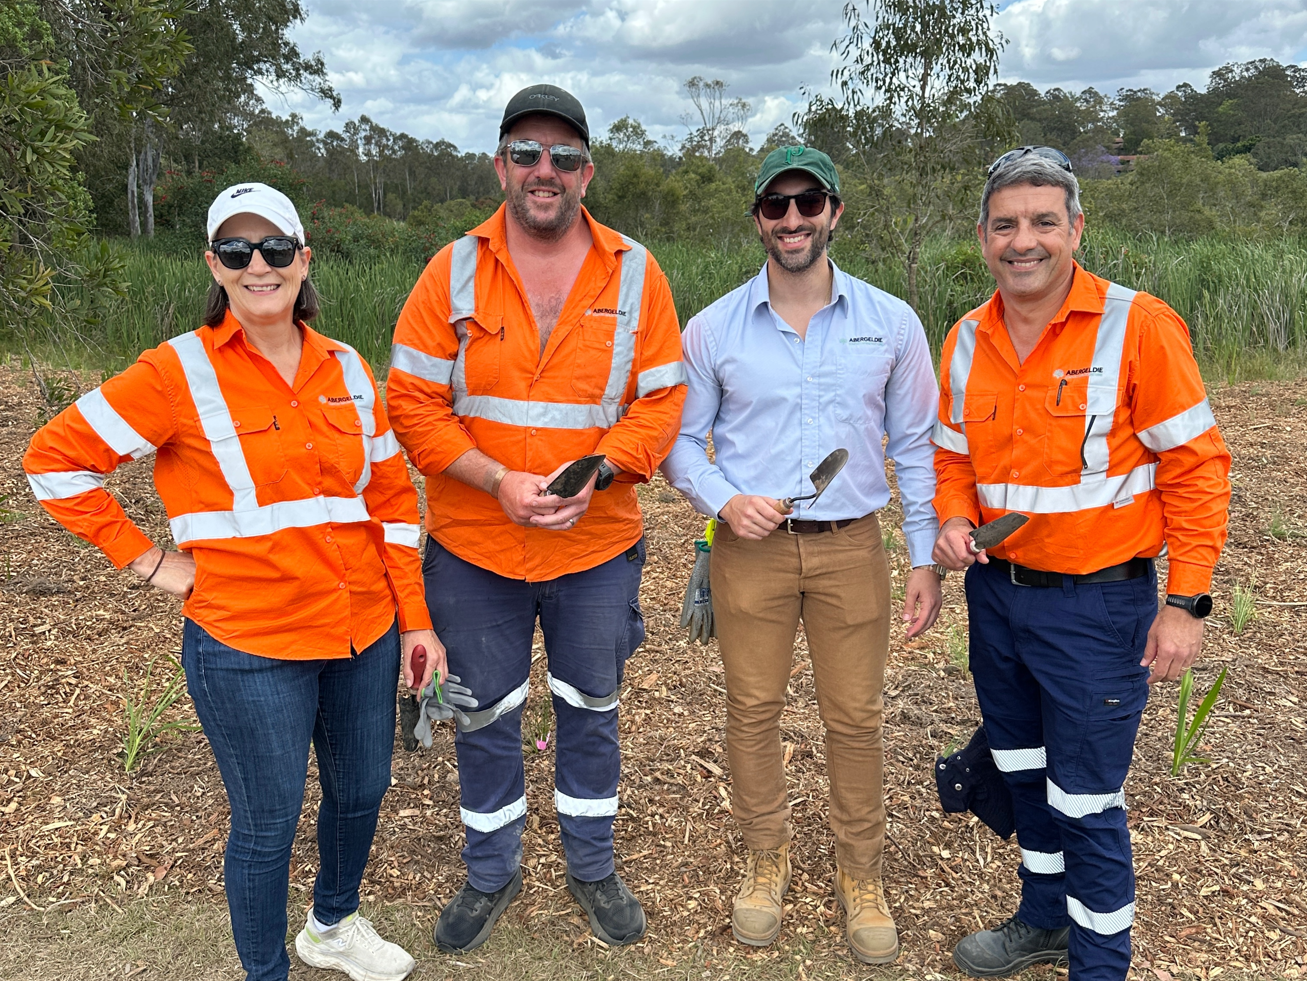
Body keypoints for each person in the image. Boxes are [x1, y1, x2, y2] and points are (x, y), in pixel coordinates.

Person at [23, 183, 443, 981]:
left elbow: (390, 503)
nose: (260, 266)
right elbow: (52, 461)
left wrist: (415, 620)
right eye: (239, 250)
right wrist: (146, 560)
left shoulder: (349, 367)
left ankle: (333, 923)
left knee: (362, 793)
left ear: (303, 259)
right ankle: (265, 972)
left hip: (363, 630)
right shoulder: (174, 371)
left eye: (276, 249)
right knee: (267, 822)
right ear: (214, 264)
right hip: (247, 643)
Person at [386, 84, 687, 953]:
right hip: (475, 544)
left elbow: (661, 403)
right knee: (482, 712)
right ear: (500, 165)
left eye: (561, 156)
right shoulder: (453, 268)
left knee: (590, 703)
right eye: (526, 153)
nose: (542, 170)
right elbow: (409, 399)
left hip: (594, 545)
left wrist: (598, 474)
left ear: (586, 172)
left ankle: (591, 864)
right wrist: (492, 478)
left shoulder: (635, 270)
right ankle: (492, 871)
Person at [930, 146, 1231, 980]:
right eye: (1004, 224)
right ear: (982, 236)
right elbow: (951, 459)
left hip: (1097, 609)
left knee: (1087, 801)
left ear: (1075, 229)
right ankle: (1042, 919)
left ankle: (1098, 962)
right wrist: (954, 520)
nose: (1022, 240)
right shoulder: (964, 338)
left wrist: (1188, 601)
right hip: (997, 599)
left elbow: (1197, 467)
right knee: (1023, 771)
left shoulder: (1138, 325)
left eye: (1041, 222)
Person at [661, 145, 943, 965]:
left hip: (851, 547)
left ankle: (861, 874)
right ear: (757, 219)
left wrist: (922, 556)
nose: (792, 219)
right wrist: (722, 499)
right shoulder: (713, 328)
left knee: (854, 718)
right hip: (747, 552)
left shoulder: (889, 321)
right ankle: (765, 860)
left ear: (834, 213)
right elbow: (679, 443)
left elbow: (917, 444)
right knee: (752, 714)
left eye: (807, 202)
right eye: (775, 205)